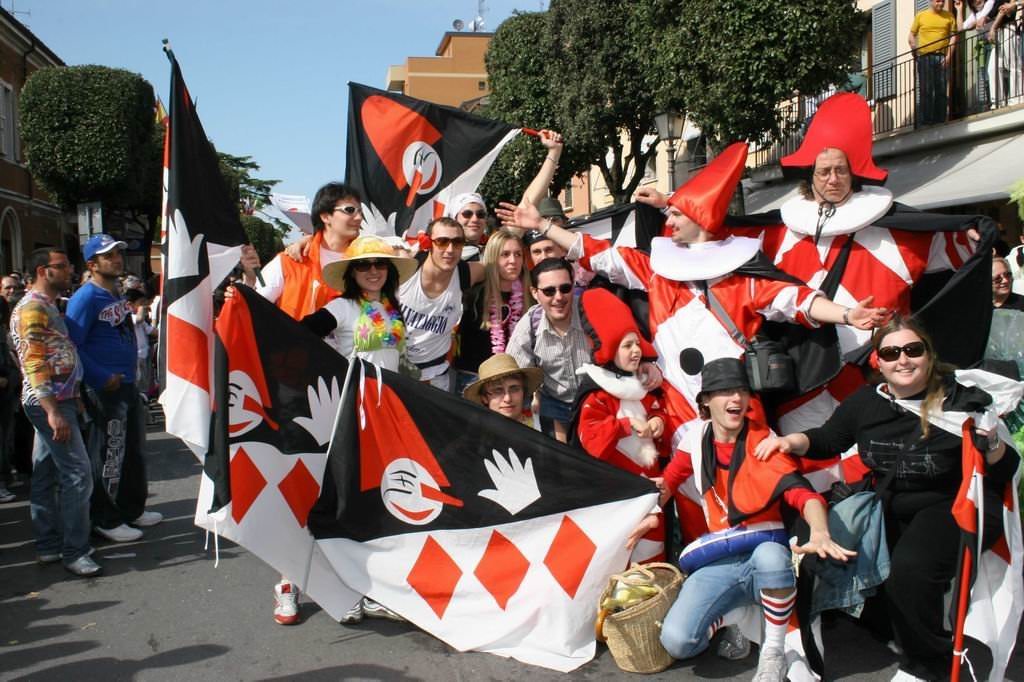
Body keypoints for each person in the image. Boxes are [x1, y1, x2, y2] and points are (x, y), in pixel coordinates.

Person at [753, 316, 1020, 680]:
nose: (903, 360)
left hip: (951, 503)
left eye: (913, 350)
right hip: (889, 501)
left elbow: (1005, 471)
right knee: (824, 550)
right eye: (891, 353)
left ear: (929, 355)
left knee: (910, 573)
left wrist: (989, 442)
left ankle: (931, 662)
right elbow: (828, 439)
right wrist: (789, 442)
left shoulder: (961, 400)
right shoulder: (868, 400)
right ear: (878, 361)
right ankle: (889, 630)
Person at [627, 358, 852, 682]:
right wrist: (650, 514)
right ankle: (739, 616)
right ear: (705, 400)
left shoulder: (763, 441)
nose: (735, 398)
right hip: (721, 558)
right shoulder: (695, 439)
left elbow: (804, 496)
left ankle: (772, 654)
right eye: (725, 391)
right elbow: (669, 482)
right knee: (678, 641)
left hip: (766, 556)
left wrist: (819, 531)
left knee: (772, 560)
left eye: (741, 390)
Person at [66, 234, 161, 544]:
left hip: (127, 385)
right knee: (109, 453)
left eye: (119, 253)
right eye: (109, 256)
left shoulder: (115, 293)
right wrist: (99, 376)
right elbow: (73, 345)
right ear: (92, 264)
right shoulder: (85, 298)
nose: (117, 259)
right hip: (104, 389)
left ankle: (131, 508)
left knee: (132, 450)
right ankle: (105, 518)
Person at [11, 248, 99, 576]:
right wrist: (52, 410)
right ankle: (75, 550)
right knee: (78, 474)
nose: (69, 271)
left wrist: (71, 395)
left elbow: (56, 353)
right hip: (47, 403)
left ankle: (49, 545)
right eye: (61, 267)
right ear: (42, 271)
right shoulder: (33, 307)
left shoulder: (47, 305)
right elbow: (33, 360)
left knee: (46, 472)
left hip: (58, 400)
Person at [573, 287, 669, 563]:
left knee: (654, 561)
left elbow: (660, 414)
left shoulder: (643, 387)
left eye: (637, 343)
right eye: (627, 346)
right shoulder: (597, 394)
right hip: (615, 496)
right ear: (610, 349)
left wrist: (657, 423)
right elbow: (591, 442)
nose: (637, 351)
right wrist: (626, 425)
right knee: (620, 561)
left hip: (650, 493)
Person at [505, 258, 593, 443]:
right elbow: (512, 373)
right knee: (561, 465)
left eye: (565, 288)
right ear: (535, 293)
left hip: (597, 405)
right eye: (549, 291)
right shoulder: (529, 324)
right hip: (555, 406)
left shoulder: (592, 311)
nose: (559, 297)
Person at [301, 235, 417, 370]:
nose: (373, 271)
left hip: (387, 389)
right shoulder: (342, 306)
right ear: (352, 273)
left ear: (388, 269)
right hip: (357, 389)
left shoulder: (392, 308)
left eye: (380, 263)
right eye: (363, 265)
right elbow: (298, 333)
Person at [252, 182, 364, 317]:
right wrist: (248, 278)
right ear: (325, 217)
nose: (359, 218)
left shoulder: (369, 262)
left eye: (360, 211)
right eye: (350, 210)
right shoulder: (290, 261)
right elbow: (254, 306)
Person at [399, 217, 484, 390]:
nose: (450, 250)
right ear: (428, 243)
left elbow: (505, 257)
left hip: (436, 378)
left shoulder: (467, 273)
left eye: (458, 242)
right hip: (394, 371)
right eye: (442, 242)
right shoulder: (406, 267)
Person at [453, 229, 534, 391]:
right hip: (474, 381)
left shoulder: (530, 294)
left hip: (514, 381)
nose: (513, 261)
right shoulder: (473, 293)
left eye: (518, 254)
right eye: (505, 254)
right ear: (493, 258)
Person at [909, 0, 958, 126]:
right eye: (938, 1)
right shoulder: (921, 15)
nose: (940, 3)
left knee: (941, 89)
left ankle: (940, 120)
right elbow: (911, 35)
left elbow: (954, 36)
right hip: (925, 57)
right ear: (931, 1)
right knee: (926, 90)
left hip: (942, 56)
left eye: (942, 1)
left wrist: (949, 56)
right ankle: (926, 122)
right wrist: (914, 48)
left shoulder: (949, 16)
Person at [462, 353, 543, 428]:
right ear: (484, 398)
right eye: (498, 391)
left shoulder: (541, 429)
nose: (508, 399)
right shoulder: (474, 435)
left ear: (523, 391)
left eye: (514, 389)